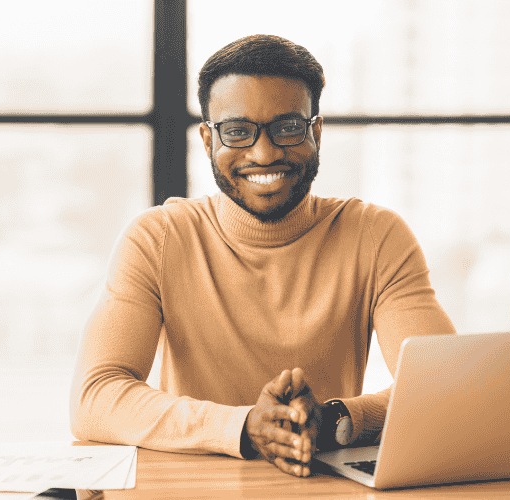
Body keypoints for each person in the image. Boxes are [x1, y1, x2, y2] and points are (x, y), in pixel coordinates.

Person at [69, 34, 456, 478]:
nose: (264, 152)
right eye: (237, 131)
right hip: (190, 488)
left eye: (288, 127)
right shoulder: (157, 239)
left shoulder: (376, 236)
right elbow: (93, 397)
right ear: (207, 140)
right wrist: (244, 427)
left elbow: (442, 386)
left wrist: (332, 421)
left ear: (317, 131)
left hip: (320, 487)